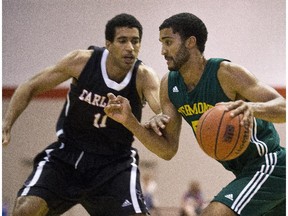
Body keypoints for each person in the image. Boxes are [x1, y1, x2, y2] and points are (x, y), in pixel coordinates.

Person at [104, 13, 286, 216]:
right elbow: (167, 150)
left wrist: (252, 108)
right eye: (161, 43)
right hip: (244, 172)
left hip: (271, 164)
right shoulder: (169, 85)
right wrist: (131, 122)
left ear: (190, 42)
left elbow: (283, 107)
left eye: (168, 42)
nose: (163, 51)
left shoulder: (225, 73)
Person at [2, 13, 162, 216]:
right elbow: (30, 86)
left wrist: (159, 115)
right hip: (68, 155)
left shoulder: (143, 76)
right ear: (108, 43)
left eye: (135, 41)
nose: (130, 47)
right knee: (26, 209)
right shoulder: (82, 62)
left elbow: (160, 108)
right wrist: (6, 122)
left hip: (114, 163)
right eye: (123, 41)